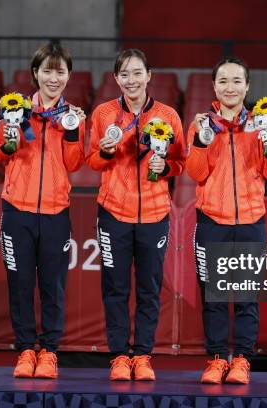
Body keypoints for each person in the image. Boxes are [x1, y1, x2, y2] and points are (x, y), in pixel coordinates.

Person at [86, 49, 186, 381]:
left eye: (137, 73)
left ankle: (142, 355)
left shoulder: (168, 115)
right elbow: (92, 162)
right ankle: (118, 356)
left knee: (148, 288)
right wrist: (104, 151)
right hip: (113, 212)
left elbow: (182, 162)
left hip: (155, 214)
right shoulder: (103, 113)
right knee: (114, 288)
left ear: (149, 75)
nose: (131, 80)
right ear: (116, 79)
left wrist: (166, 166)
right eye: (124, 74)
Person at [0, 43, 86, 378]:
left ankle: (49, 352)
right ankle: (26, 350)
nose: (53, 78)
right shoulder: (14, 109)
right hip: (17, 210)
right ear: (35, 73)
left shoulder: (73, 116)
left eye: (59, 71)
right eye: (47, 70)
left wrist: (72, 133)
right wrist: (8, 142)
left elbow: (74, 164)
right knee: (20, 284)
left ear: (68, 75)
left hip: (56, 212)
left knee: (53, 286)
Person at [185, 57, 267, 384]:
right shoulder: (202, 124)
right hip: (212, 221)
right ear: (214, 86)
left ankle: (242, 360)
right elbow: (196, 174)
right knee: (213, 297)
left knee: (245, 296)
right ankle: (216, 359)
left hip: (250, 222)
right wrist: (201, 143)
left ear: (247, 86)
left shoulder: (261, 122)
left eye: (236, 81)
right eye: (223, 81)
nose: (230, 87)